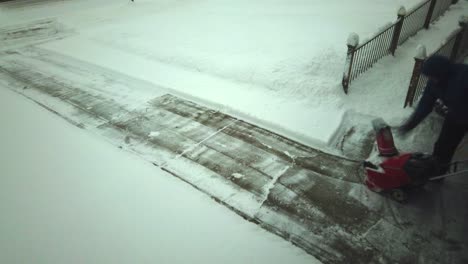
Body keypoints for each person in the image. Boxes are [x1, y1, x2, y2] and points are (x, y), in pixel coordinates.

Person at [399, 55, 468, 175]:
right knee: (443, 147)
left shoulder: (463, 75)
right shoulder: (434, 83)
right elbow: (425, 105)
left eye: (432, 76)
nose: (431, 79)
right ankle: (437, 174)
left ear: (442, 72)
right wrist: (410, 124)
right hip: (456, 117)